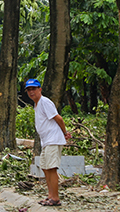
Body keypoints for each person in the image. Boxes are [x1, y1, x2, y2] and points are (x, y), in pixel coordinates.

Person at [25, 79, 71, 207]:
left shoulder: (45, 102)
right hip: (46, 141)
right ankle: (50, 196)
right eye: (29, 90)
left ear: (40, 89)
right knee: (45, 168)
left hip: (53, 139)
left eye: (34, 89)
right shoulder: (37, 104)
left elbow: (58, 118)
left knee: (51, 169)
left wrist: (65, 133)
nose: (31, 92)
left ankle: (55, 198)